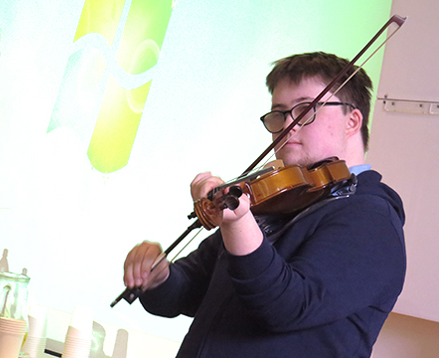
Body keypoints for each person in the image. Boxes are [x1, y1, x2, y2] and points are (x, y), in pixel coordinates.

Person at [121, 52, 406, 357]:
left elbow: (288, 308)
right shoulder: (280, 200)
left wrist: (239, 224)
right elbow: (189, 292)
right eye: (280, 113)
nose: (288, 125)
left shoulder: (371, 218)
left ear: (352, 121)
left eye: (306, 109)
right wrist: (161, 278)